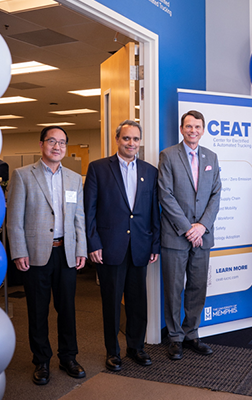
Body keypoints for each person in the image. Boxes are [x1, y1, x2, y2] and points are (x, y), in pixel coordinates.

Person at [7, 126, 87, 385]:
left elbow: (79, 219)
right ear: (41, 144)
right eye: (52, 141)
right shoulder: (23, 175)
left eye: (62, 143)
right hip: (35, 255)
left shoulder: (75, 178)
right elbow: (14, 219)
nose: (57, 147)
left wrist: (81, 249)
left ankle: (68, 357)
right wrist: (18, 250)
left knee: (67, 309)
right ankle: (41, 360)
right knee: (38, 311)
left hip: (66, 253)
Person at [84, 120, 160, 371]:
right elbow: (89, 211)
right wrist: (93, 242)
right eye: (126, 138)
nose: (131, 143)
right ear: (117, 140)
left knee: (138, 302)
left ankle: (136, 348)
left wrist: (154, 245)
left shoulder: (150, 171)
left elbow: (153, 212)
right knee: (112, 302)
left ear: (140, 142)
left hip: (140, 245)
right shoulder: (98, 168)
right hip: (109, 247)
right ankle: (112, 352)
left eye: (135, 139)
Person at [158, 110, 221, 360]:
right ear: (182, 129)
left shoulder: (211, 157)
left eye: (197, 126)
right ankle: (175, 337)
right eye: (188, 126)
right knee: (174, 288)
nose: (193, 130)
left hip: (202, 236)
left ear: (203, 129)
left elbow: (216, 194)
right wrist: (188, 228)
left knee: (197, 287)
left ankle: (191, 333)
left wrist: (202, 226)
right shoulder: (168, 155)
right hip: (176, 235)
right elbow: (165, 195)